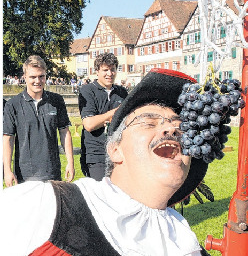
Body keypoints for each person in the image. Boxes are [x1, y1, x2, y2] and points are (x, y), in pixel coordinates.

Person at [2, 68, 210, 256]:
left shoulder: (187, 244)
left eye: (179, 126)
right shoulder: (47, 204)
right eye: (148, 122)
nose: (172, 129)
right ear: (115, 150)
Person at [3, 55, 75, 186]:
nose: (38, 81)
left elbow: (64, 132)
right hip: (24, 175)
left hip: (52, 173)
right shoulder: (13, 105)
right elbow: (8, 138)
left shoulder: (56, 101)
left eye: (41, 76)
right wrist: (7, 170)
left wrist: (70, 162)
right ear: (24, 77)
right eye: (33, 77)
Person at [78, 52, 128, 180]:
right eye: (105, 70)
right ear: (97, 71)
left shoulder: (122, 92)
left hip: (119, 153)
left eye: (112, 69)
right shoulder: (87, 90)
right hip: (96, 155)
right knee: (99, 196)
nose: (109, 73)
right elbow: (89, 124)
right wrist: (115, 113)